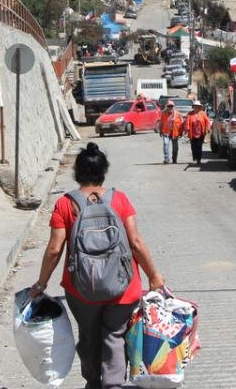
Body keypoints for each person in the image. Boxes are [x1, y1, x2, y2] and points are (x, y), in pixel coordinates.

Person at [31, 143, 164, 389]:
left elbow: (54, 249)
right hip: (123, 288)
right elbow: (135, 242)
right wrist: (153, 275)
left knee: (89, 335)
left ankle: (93, 382)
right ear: (104, 171)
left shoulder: (65, 204)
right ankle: (113, 384)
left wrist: (41, 283)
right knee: (114, 335)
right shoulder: (120, 200)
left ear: (76, 172)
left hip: (81, 288)